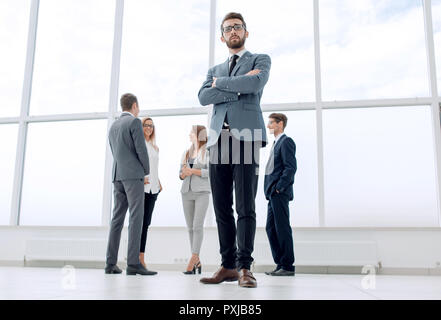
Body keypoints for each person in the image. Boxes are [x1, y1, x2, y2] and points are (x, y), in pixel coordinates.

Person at [198, 12, 271, 288]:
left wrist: (222, 86)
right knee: (221, 208)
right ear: (222, 36)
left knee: (245, 205)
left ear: (245, 32)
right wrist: (237, 87)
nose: (233, 32)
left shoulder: (259, 60)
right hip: (218, 140)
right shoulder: (213, 70)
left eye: (237, 27)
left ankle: (244, 267)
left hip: (247, 137)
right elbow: (203, 96)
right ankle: (227, 265)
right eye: (228, 29)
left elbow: (255, 83)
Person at [105, 93, 154, 276]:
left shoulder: (114, 126)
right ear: (134, 105)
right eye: (138, 106)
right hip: (133, 176)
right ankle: (133, 264)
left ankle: (110, 264)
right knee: (136, 217)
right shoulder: (134, 122)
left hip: (117, 175)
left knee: (116, 220)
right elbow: (141, 150)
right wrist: (146, 170)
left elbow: (114, 151)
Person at [264, 113, 297, 276]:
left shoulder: (286, 142)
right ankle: (280, 263)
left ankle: (288, 266)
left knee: (282, 228)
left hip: (279, 193)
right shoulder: (276, 143)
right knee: (271, 228)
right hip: (272, 193)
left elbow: (290, 168)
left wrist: (279, 187)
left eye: (271, 122)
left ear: (280, 124)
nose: (268, 125)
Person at [179, 125, 210, 275]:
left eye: (191, 132)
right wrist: (183, 174)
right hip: (186, 192)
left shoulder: (208, 152)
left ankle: (192, 260)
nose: (189, 134)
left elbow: (210, 172)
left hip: (202, 192)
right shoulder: (186, 152)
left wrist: (192, 171)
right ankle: (196, 259)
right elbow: (180, 173)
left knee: (198, 226)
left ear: (199, 135)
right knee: (190, 228)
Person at [138, 117, 162, 274]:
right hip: (143, 188)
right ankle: (138, 259)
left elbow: (153, 167)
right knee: (140, 224)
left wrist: (158, 181)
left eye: (151, 126)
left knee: (146, 224)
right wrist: (141, 177)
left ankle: (141, 257)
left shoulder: (155, 146)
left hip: (154, 189)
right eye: (146, 125)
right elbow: (136, 163)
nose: (149, 128)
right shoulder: (139, 145)